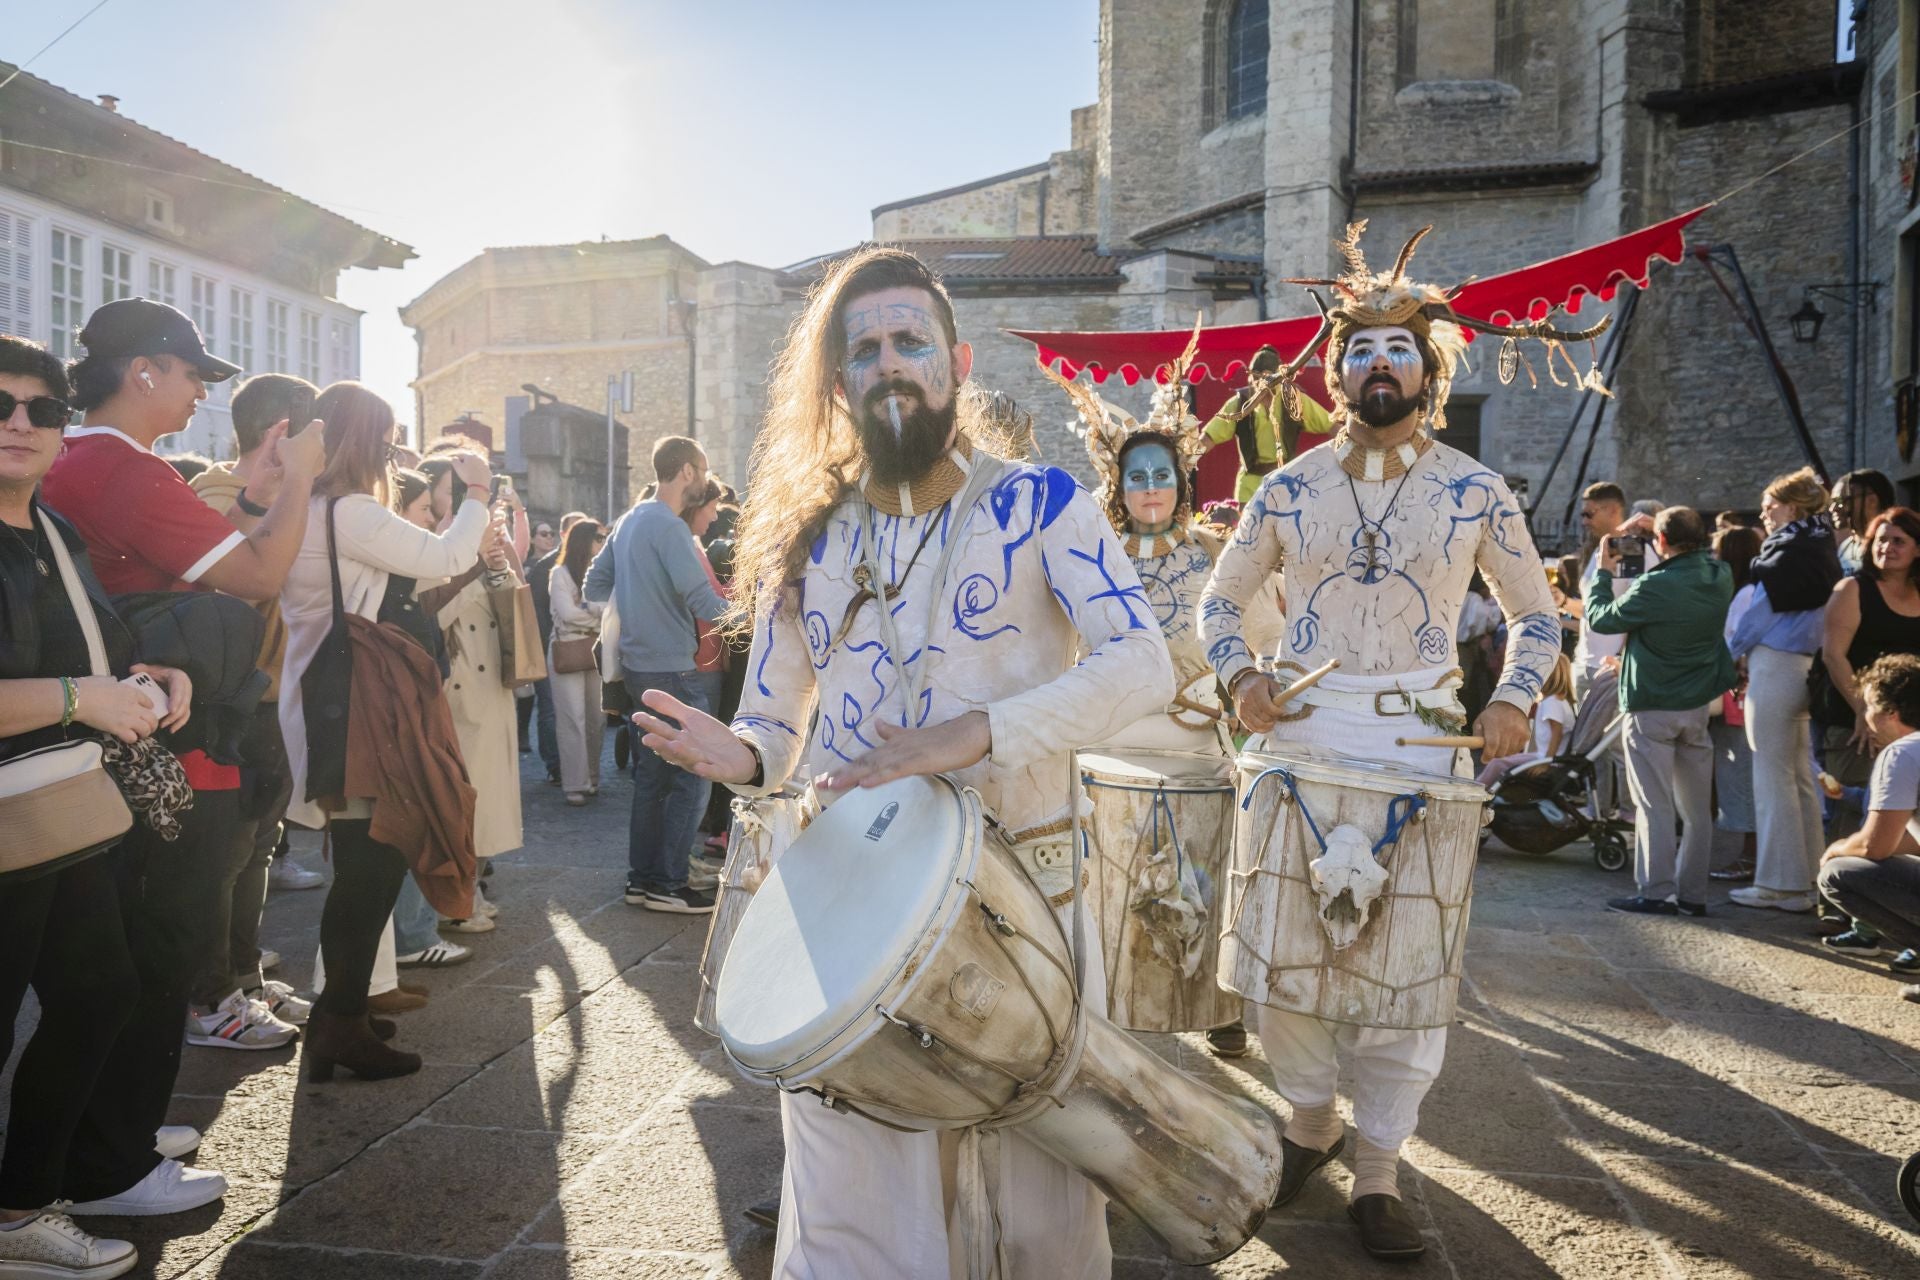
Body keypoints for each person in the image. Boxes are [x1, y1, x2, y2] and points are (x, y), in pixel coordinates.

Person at [631, 246, 1172, 1276]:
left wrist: (980, 732)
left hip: (1024, 907)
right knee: (850, 1211)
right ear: (838, 383)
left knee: (1031, 1218)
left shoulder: (1043, 500)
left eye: (910, 341)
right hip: (851, 908)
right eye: (865, 347)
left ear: (956, 361)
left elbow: (1142, 662)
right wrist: (738, 756)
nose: (889, 362)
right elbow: (776, 726)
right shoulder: (807, 540)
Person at [1200, 221, 1575, 1261]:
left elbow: (1538, 613)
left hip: (1420, 740)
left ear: (1430, 367)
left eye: (1397, 347)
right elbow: (1220, 602)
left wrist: (1513, 695)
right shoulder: (1288, 486)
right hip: (1302, 737)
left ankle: (1377, 1165)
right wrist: (1240, 675)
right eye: (1358, 349)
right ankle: (1308, 1117)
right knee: (1283, 958)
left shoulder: (1474, 488)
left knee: (1407, 964)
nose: (1376, 363)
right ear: (1337, 371)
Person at [39, 299, 326, 1217]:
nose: (205, 390)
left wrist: (253, 489)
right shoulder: (117, 466)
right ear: (145, 371)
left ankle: (108, 1131)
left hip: (135, 731)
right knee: (160, 954)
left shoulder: (94, 461)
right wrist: (301, 484)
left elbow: (196, 553)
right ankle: (111, 1166)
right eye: (194, 372)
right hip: (167, 744)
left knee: (131, 960)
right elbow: (256, 575)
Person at [0, 335, 195, 1276]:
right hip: (15, 810)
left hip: (59, 807)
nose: (21, 425)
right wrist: (86, 700)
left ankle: (22, 1205)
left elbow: (92, 649)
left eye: (42, 410)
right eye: (0, 407)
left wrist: (149, 674)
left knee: (100, 990)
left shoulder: (49, 529)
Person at [277, 382, 494, 1080]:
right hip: (355, 709)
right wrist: (478, 494)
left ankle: (339, 1012)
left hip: (325, 698)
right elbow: (445, 557)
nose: (395, 451)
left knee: (362, 863)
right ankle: (339, 1022)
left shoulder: (312, 507)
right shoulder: (350, 511)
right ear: (367, 441)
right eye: (389, 438)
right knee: (372, 868)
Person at [183, 375, 323, 1052]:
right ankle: (212, 997)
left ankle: (242, 974)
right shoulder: (213, 496)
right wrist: (278, 491)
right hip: (228, 706)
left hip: (270, 700)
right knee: (225, 857)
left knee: (257, 849)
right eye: (313, 436)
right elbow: (242, 577)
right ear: (280, 437)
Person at [582, 436, 729, 914]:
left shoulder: (630, 519)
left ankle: (642, 881)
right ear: (687, 471)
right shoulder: (667, 526)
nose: (705, 482)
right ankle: (667, 884)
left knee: (652, 782)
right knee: (692, 778)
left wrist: (640, 604)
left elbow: (595, 585)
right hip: (674, 672)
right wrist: (762, 615)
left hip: (637, 668)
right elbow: (704, 603)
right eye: (703, 473)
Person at [1582, 506, 1736, 916]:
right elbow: (1696, 551)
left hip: (1653, 703)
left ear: (1662, 541)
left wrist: (1602, 572)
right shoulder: (1720, 576)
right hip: (1697, 705)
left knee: (1654, 804)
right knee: (1698, 810)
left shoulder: (1654, 584)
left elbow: (1601, 619)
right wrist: (1662, 530)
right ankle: (1693, 896)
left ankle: (1655, 892)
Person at [1728, 466, 1844, 913]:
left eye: (1770, 505)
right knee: (1797, 777)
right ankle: (1809, 879)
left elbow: (1757, 615)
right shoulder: (1819, 545)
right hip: (1804, 666)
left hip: (1776, 665)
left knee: (1774, 776)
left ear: (1792, 507)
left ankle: (1779, 883)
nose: (1764, 512)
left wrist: (1731, 652)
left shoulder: (1787, 550)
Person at [417, 447, 523, 929]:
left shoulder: (487, 543)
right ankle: (456, 900)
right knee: (463, 801)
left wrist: (499, 568)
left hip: (492, 686)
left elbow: (514, 613)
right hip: (457, 689)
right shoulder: (422, 545)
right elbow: (429, 617)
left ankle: (472, 888)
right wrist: (474, 565)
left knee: (490, 803)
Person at [1816, 507, 1920, 953]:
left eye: (1898, 540)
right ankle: (1854, 921)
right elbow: (1833, 655)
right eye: (1880, 539)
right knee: (1853, 804)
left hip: (1906, 714)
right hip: (1858, 711)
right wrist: (1864, 710)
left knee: (1898, 814)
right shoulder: (1852, 589)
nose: (1887, 547)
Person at [1816, 653, 1920, 1001]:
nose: (1865, 715)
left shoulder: (1903, 753)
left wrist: (1838, 847)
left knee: (1837, 872)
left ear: (1891, 713)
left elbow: (1875, 846)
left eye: (1870, 706)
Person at [1199, 344, 1334, 503]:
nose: (1262, 382)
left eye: (1268, 377)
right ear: (1251, 378)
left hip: (1285, 482)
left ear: (1278, 378)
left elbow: (1331, 424)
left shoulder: (1294, 400)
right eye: (1257, 377)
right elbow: (1208, 438)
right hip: (1249, 488)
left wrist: (1352, 449)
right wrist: (1184, 457)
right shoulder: (1239, 403)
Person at [1709, 525, 1765, 883]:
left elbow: (1734, 643)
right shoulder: (1746, 591)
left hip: (1736, 694)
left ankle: (1749, 854)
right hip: (1737, 692)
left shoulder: (1745, 594)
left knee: (1740, 774)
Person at [527, 509, 588, 786]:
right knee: (552, 709)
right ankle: (556, 765)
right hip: (551, 645)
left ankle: (574, 769)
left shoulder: (588, 564)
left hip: (576, 645)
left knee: (578, 713)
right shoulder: (548, 568)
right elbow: (538, 611)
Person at [548, 518, 607, 805]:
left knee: (597, 717)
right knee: (572, 717)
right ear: (584, 541)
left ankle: (592, 777)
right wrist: (598, 613)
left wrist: (591, 607)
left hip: (596, 647)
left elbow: (613, 608)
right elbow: (567, 615)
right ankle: (575, 783)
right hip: (568, 646)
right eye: (598, 538)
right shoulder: (560, 573)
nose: (603, 543)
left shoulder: (603, 573)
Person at [1476, 651, 1576, 786]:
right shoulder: (1558, 701)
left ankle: (1477, 789)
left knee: (1497, 764)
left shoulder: (1552, 703)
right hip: (1543, 756)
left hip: (1544, 758)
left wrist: (1546, 762)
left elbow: (1556, 733)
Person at [1831, 468, 1895, 574]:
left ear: (1872, 501)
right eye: (1833, 501)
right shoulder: (1845, 548)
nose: (1833, 508)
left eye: (1842, 501)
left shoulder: (1893, 546)